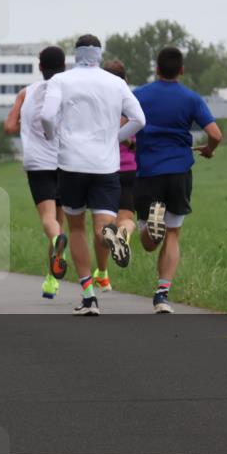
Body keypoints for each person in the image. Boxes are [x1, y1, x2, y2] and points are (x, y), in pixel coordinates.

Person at [40, 34, 145, 316]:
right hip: (105, 166)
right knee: (101, 228)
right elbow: (140, 119)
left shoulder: (61, 80)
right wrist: (115, 138)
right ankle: (113, 236)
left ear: (76, 54)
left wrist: (52, 136)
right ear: (99, 54)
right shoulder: (116, 83)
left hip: (71, 164)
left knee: (76, 229)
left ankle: (88, 296)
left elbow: (47, 116)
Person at [133, 47, 223, 314]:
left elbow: (121, 125)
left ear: (156, 68)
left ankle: (153, 224)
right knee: (173, 233)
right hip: (179, 172)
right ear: (181, 70)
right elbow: (216, 134)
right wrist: (209, 150)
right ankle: (162, 295)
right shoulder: (191, 98)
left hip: (148, 171)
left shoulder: (139, 95)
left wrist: (130, 142)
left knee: (148, 244)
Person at [3, 45, 69, 300]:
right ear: (64, 67)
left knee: (49, 220)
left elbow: (9, 127)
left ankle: (56, 247)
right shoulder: (70, 91)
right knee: (59, 221)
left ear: (40, 67)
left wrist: (25, 121)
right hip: (66, 161)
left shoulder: (26, 92)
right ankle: (51, 281)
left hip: (38, 164)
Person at [98, 60, 139, 290]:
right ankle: (123, 234)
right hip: (130, 168)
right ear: (126, 80)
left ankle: (103, 275)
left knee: (103, 225)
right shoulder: (131, 101)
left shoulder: (99, 102)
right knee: (126, 219)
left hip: (105, 168)